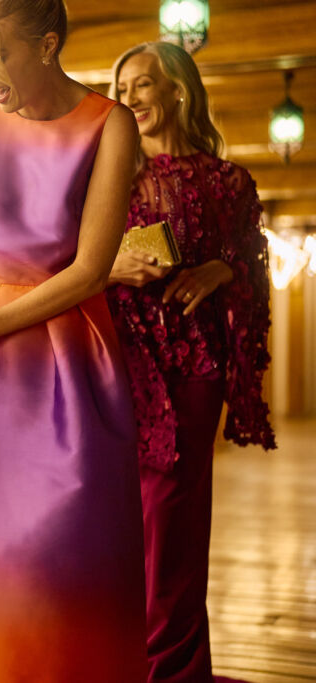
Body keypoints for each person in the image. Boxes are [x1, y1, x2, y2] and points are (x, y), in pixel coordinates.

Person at [0, 0, 148, 679]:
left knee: (55, 568)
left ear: (47, 45)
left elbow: (90, 270)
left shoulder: (109, 124)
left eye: (0, 54)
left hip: (65, 372)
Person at [108, 41, 276, 682]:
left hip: (192, 362)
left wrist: (220, 267)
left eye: (142, 85)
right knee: (115, 516)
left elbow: (253, 275)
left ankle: (172, 670)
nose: (129, 100)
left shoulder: (231, 183)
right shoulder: (103, 173)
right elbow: (64, 259)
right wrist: (113, 265)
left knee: (175, 518)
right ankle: (114, 659)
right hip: (118, 359)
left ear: (177, 89)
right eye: (121, 90)